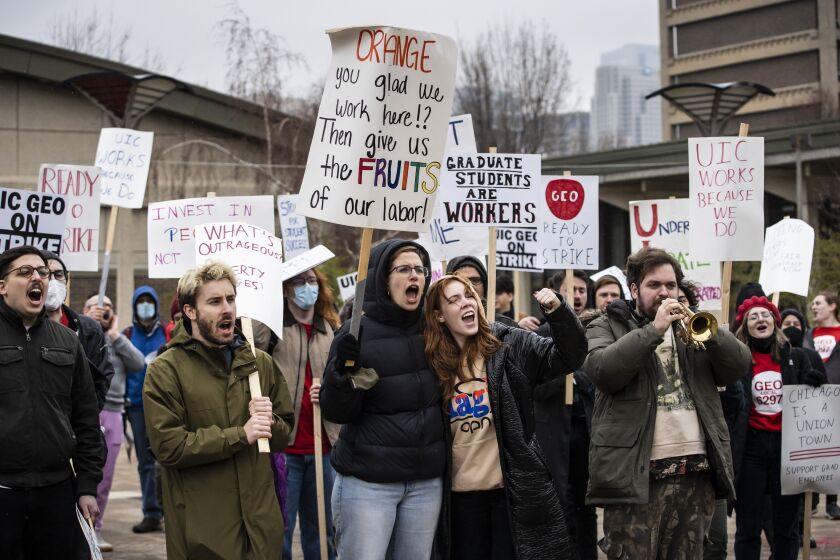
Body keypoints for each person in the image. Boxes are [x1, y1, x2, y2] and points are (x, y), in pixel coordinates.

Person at [584, 247, 751, 559]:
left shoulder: (692, 326)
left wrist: (713, 334)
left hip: (695, 471)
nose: (664, 292)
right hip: (636, 476)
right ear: (634, 289)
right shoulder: (605, 326)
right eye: (654, 285)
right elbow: (603, 371)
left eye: (671, 285)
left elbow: (740, 365)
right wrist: (654, 330)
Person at [425, 274, 584, 558]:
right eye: (454, 300)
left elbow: (570, 355)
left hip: (511, 495)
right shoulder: (430, 364)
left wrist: (558, 311)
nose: (466, 302)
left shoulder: (508, 344)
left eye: (469, 295)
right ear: (439, 315)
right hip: (459, 502)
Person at [143, 261, 294, 559]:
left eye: (231, 299)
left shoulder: (259, 363)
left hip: (260, 530)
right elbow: (169, 447)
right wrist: (240, 435)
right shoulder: (166, 370)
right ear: (190, 311)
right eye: (214, 302)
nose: (227, 309)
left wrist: (270, 422)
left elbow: (283, 436)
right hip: (204, 534)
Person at [320, 240, 446, 559]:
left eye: (419, 269)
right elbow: (337, 411)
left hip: (424, 484)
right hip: (368, 484)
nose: (414, 275)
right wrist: (341, 373)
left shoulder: (435, 330)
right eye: (403, 269)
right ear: (383, 281)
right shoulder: (355, 333)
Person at [0, 246, 103, 559]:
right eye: (25, 272)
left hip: (56, 492)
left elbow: (86, 418)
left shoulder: (68, 341)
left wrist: (87, 486)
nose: (37, 277)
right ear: (2, 286)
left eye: (42, 272)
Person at [253, 266, 341, 560]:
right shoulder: (272, 328)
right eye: (299, 281)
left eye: (312, 280)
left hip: (323, 446)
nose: (307, 287)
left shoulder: (331, 328)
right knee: (280, 529)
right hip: (285, 447)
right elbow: (250, 348)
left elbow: (343, 377)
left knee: (323, 532)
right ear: (285, 289)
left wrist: (329, 391)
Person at [732, 296, 826, 559]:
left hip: (788, 449)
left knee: (787, 526)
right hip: (751, 449)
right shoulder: (737, 360)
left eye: (765, 315)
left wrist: (814, 382)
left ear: (775, 322)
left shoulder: (796, 357)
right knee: (748, 526)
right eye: (753, 317)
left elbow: (814, 398)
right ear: (745, 327)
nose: (760, 319)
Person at [83, 292, 146, 552]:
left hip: (113, 412)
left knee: (105, 477)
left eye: (107, 306)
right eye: (96, 306)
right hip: (86, 411)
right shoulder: (78, 332)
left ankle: (95, 530)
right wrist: (88, 325)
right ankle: (78, 529)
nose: (102, 310)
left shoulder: (117, 339)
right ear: (84, 310)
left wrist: (113, 334)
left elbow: (138, 363)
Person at [44, 253, 114, 410]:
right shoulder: (25, 327)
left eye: (58, 274)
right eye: (46, 274)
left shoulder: (89, 329)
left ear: (66, 280)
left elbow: (101, 377)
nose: (53, 281)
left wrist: (86, 416)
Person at [123, 285, 167, 533]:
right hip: (137, 406)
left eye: (150, 301)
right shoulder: (128, 334)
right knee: (145, 462)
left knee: (168, 458)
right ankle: (151, 512)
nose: (146, 306)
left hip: (163, 404)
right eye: (141, 302)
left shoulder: (167, 333)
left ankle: (169, 508)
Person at [780, 307, 823, 549]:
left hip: (804, 433)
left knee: (803, 489)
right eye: (787, 323)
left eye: (796, 324)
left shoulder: (811, 355)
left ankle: (802, 532)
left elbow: (824, 391)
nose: (791, 328)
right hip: (778, 432)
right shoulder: (774, 355)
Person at [803, 291, 840, 520]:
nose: (813, 307)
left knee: (834, 451)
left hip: (837, 399)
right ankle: (813, 499)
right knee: (813, 448)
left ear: (832, 306)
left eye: (818, 303)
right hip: (812, 400)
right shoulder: (808, 335)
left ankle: (832, 502)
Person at [446, 256, 518, 328]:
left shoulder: (507, 326)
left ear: (485, 286)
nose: (469, 286)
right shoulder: (441, 328)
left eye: (475, 280)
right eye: (461, 281)